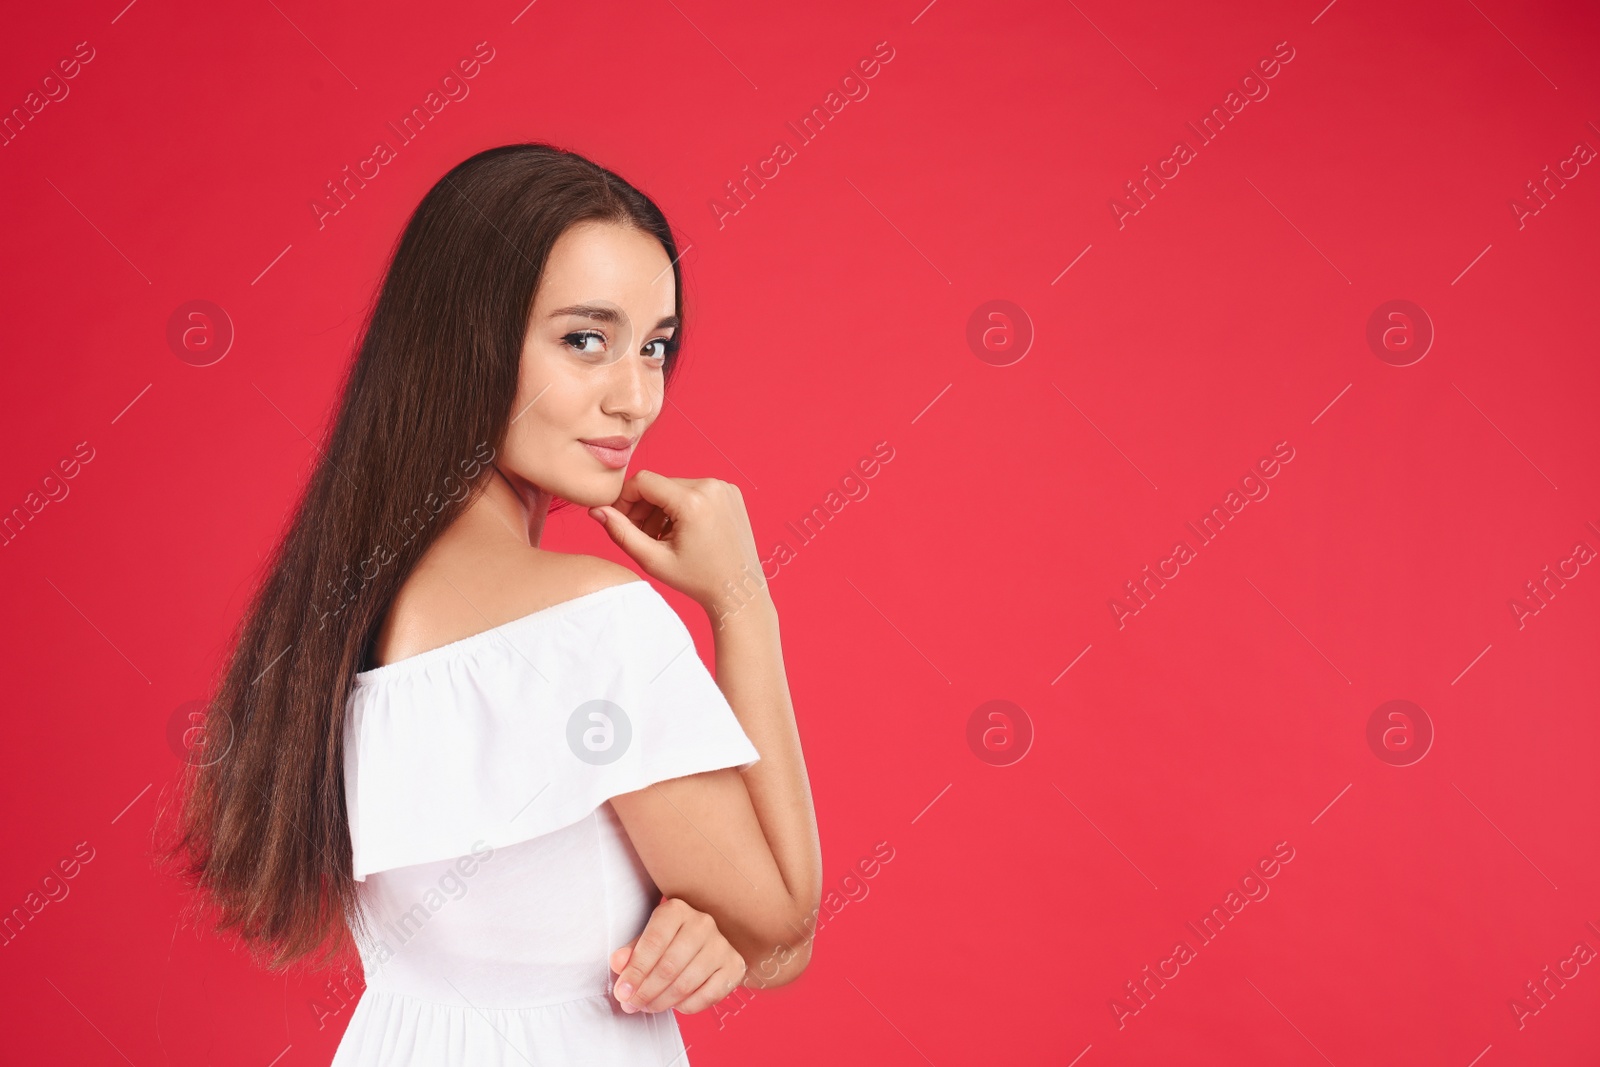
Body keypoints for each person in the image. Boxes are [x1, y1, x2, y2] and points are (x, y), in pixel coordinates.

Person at [159, 142, 822, 1065]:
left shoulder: (339, 609)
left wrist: (702, 925)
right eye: (584, 339)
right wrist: (742, 601)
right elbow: (786, 923)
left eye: (655, 347)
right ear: (466, 339)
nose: (634, 397)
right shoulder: (595, 625)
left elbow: (526, 922)